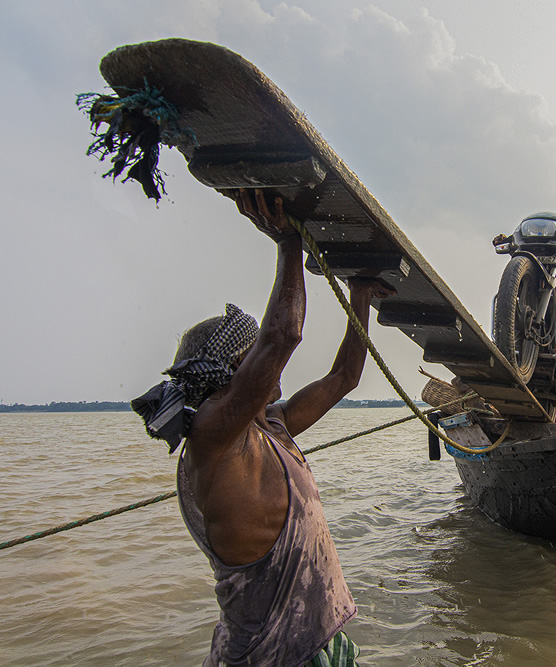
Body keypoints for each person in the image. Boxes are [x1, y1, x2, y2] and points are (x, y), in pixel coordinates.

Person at [131, 189, 394, 666]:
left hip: (317, 639)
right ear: (233, 372)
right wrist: (287, 241)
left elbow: (344, 379)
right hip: (270, 657)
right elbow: (283, 335)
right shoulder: (214, 441)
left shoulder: (272, 428)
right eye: (252, 357)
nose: (268, 365)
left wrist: (359, 298)